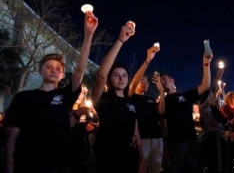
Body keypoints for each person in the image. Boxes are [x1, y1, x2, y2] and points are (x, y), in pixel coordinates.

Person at [4, 11, 98, 173]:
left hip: (56, 166)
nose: (53, 70)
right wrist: (9, 168)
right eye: (48, 67)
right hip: (25, 164)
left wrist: (88, 34)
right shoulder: (23, 97)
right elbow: (13, 135)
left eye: (58, 69)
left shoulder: (65, 96)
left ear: (62, 75)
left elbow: (80, 69)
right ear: (40, 71)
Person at [91, 22, 140, 173]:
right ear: (109, 79)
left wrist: (142, 156)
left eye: (124, 75)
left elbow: (135, 129)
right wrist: (120, 41)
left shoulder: (130, 102)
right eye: (116, 75)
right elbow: (100, 76)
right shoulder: (103, 99)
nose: (121, 78)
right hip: (107, 156)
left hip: (129, 156)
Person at [160, 51, 213, 173]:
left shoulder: (185, 96)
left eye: (164, 79)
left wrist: (206, 64)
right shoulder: (162, 102)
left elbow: (206, 85)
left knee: (195, 168)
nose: (162, 82)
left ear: (172, 80)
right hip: (175, 144)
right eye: (160, 81)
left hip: (191, 140)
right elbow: (162, 116)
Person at [128, 45, 165, 173]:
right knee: (142, 167)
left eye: (147, 82)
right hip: (142, 138)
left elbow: (161, 113)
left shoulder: (151, 99)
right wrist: (147, 61)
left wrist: (161, 89)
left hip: (156, 137)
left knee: (156, 168)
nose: (146, 83)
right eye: (142, 81)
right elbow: (132, 85)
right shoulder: (132, 97)